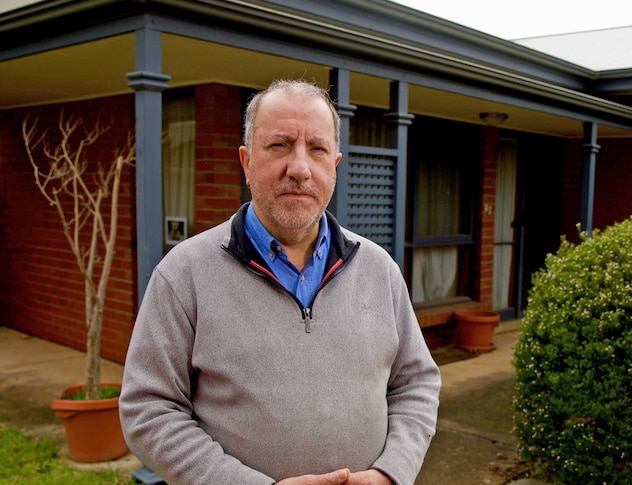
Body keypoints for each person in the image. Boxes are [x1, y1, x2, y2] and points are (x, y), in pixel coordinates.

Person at [119, 79, 441, 485]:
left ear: (334, 165)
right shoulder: (184, 274)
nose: (300, 168)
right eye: (280, 145)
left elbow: (417, 383)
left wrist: (391, 472)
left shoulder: (379, 270)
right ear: (246, 161)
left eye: (317, 149)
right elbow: (148, 410)